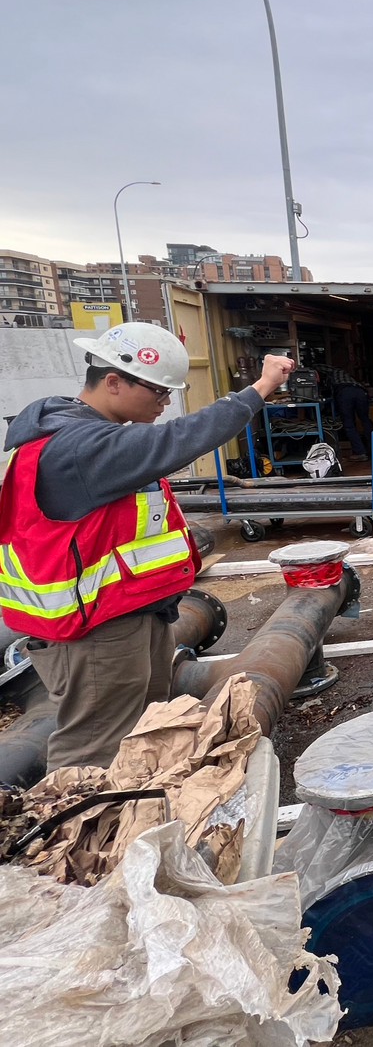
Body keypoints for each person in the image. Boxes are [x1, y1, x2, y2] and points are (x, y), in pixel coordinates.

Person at [0, 321, 293, 771]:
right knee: (95, 749)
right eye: (158, 391)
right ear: (113, 381)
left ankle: (135, 823)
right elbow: (177, 440)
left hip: (126, 615)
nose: (165, 403)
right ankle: (90, 835)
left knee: (144, 731)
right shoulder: (78, 446)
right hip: (96, 632)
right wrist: (260, 387)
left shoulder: (92, 433)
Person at [332, 373, 373, 458]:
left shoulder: (332, 372)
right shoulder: (351, 376)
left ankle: (361, 453)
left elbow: (318, 367)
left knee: (349, 424)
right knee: (366, 420)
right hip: (360, 391)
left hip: (345, 392)